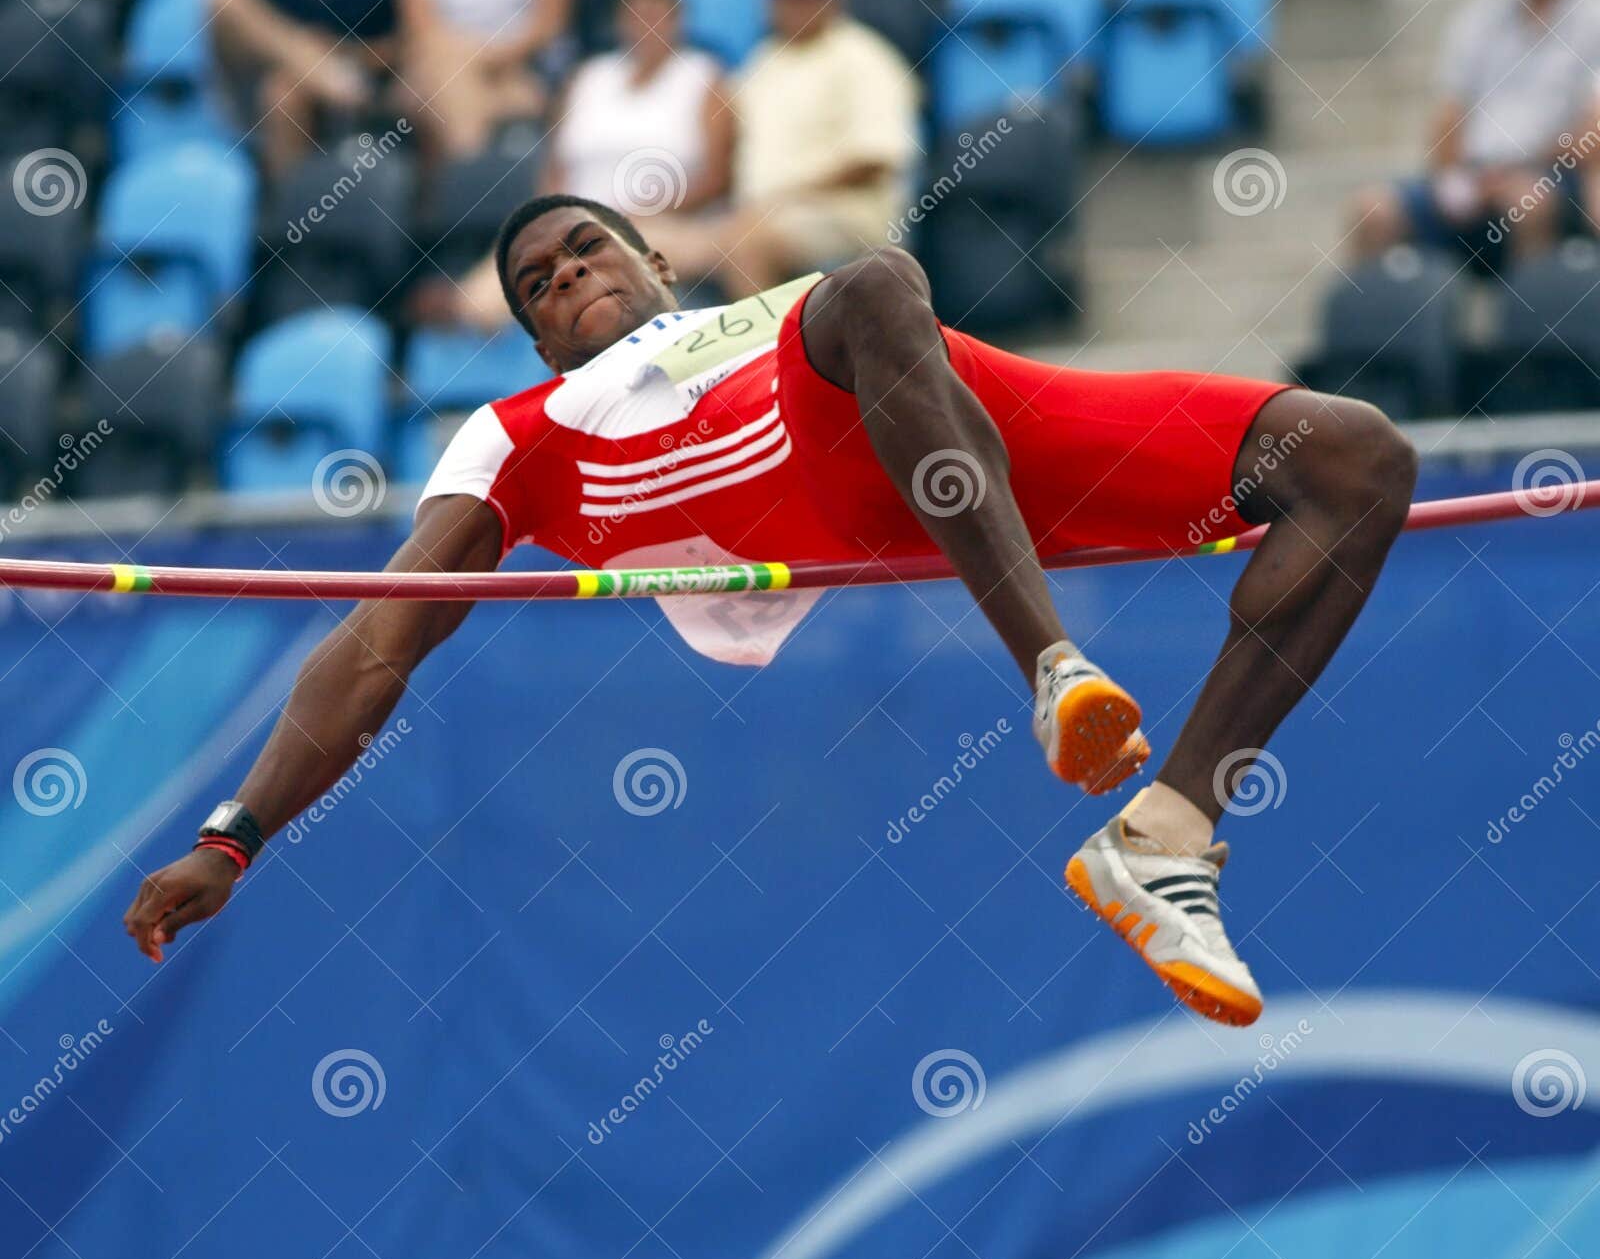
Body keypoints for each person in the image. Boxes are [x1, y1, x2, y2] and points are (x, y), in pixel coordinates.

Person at [124, 195, 1418, 1030]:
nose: (568, 275)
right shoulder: (522, 431)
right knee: (865, 282)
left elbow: (866, 315)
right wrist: (232, 836)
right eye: (537, 282)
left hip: (960, 417)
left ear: (655, 259)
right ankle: (1053, 669)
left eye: (587, 247)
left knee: (1356, 460)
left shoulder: (761, 310)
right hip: (812, 447)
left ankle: (1164, 832)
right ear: (530, 338)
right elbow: (374, 639)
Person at [413, 0, 732, 331]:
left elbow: (716, 177)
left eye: (657, 12)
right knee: (480, 303)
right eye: (636, 12)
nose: (646, 23)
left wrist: (629, 217)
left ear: (678, 19)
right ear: (620, 19)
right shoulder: (588, 78)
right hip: (576, 226)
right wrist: (554, 223)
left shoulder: (704, 77)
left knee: (602, 278)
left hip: (663, 222)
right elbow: (555, 168)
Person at [645, 0, 919, 297]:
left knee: (748, 244)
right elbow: (728, 152)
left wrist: (783, 200)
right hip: (753, 215)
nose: (797, 2)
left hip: (842, 214)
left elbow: (873, 159)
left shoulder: (865, 57)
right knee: (644, 239)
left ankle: (771, 353)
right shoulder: (763, 61)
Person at [1347, 0, 1600, 266]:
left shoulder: (1592, 16)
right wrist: (1460, 179)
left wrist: (1518, 170)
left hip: (1552, 175)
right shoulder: (1480, 16)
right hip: (1476, 175)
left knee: (1528, 203)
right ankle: (1385, 314)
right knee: (1373, 211)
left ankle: (1534, 314)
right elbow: (1449, 115)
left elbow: (1590, 132)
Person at [210, 0, 401, 178]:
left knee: (283, 89)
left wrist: (342, 50)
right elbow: (247, 29)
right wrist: (306, 55)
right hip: (293, 78)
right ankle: (292, 207)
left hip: (370, 82)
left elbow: (406, 44)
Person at [397, 0, 577, 161]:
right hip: (444, 60)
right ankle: (473, 165)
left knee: (442, 89)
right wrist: (469, 56)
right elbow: (420, 25)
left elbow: (549, 22)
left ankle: (467, 169)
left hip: (520, 64)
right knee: (445, 72)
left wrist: (490, 56)